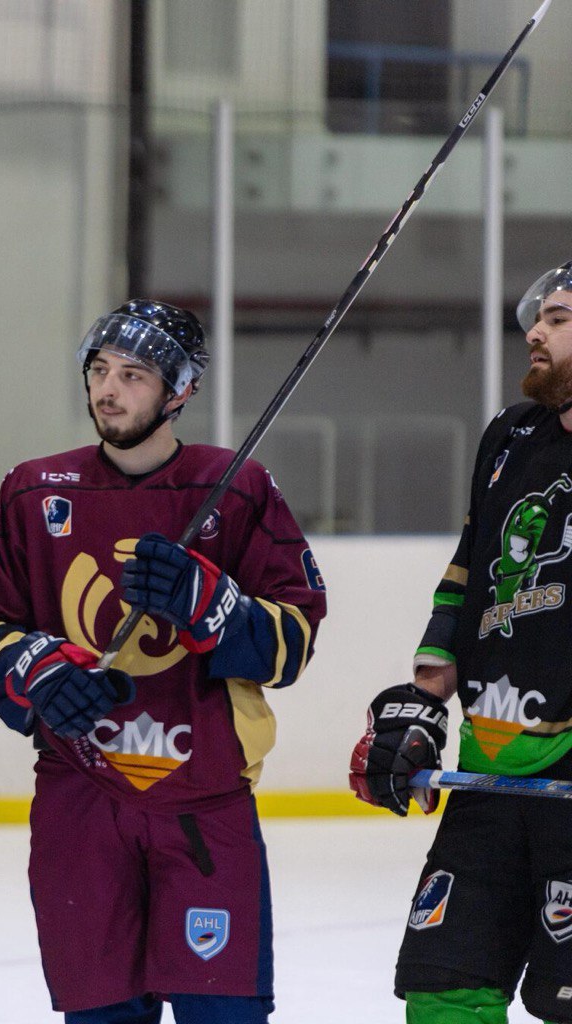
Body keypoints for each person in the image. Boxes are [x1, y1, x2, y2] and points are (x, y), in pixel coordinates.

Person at [0, 299, 327, 1024]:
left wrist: (213, 604)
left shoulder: (236, 488)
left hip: (204, 801)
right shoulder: (33, 490)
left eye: (133, 375)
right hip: (79, 804)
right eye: (99, 370)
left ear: (180, 390)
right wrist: (40, 672)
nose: (108, 389)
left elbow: (293, 638)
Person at [350, 261, 572, 1024]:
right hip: (490, 770)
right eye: (537, 317)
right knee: (443, 987)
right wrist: (422, 700)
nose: (535, 331)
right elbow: (466, 580)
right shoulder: (511, 436)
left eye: (559, 320)